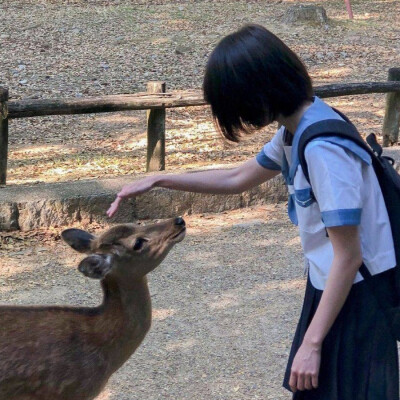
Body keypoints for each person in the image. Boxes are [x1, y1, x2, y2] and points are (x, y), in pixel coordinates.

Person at [107, 24, 398, 399]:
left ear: (258, 91)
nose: (237, 117)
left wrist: (311, 343)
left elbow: (348, 256)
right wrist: (160, 180)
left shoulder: (323, 150)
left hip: (358, 298)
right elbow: (239, 176)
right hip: (331, 288)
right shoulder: (296, 129)